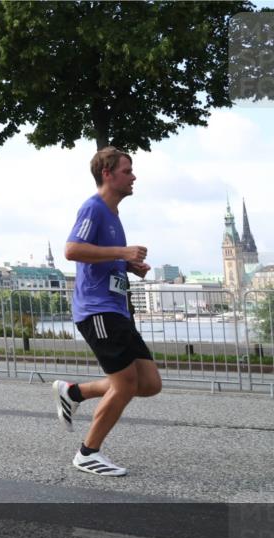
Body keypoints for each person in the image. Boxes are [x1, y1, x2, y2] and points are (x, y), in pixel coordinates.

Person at [53, 146, 161, 477]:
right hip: (97, 310)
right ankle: (88, 453)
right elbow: (72, 250)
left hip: (116, 310)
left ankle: (74, 392)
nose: (134, 177)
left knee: (149, 383)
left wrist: (128, 265)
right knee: (125, 384)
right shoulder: (94, 208)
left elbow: (100, 257)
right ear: (107, 174)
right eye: (127, 171)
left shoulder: (113, 215)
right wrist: (123, 252)